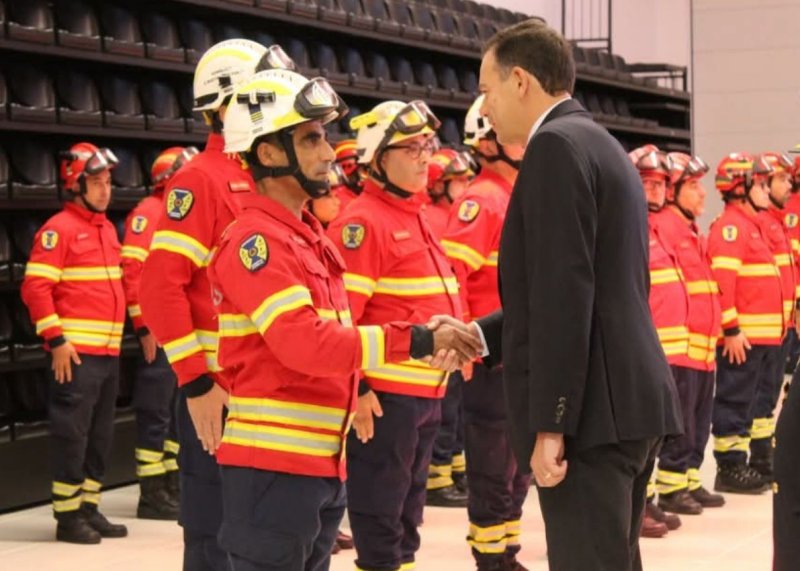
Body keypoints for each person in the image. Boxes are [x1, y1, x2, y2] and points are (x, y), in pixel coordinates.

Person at [432, 20, 682, 570]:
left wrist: (553, 422)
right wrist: (480, 335)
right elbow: (587, 287)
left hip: (592, 414)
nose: (483, 105)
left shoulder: (554, 148)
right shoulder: (600, 143)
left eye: (486, 88)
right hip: (628, 404)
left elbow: (565, 295)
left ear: (519, 80)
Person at [208, 69, 479, 571]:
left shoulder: (307, 237)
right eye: (311, 138)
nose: (330, 152)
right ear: (267, 153)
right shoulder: (258, 242)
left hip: (318, 466)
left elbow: (342, 337)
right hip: (273, 471)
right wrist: (417, 339)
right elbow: (306, 345)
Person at [139, 39, 276, 570]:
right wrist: (195, 382)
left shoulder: (264, 178)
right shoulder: (201, 179)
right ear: (227, 104)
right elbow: (159, 288)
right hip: (218, 395)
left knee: (261, 539)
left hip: (267, 392)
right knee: (214, 541)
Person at [326, 99, 466, 571]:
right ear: (378, 158)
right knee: (380, 512)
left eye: (427, 145)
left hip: (425, 393)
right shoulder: (362, 223)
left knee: (408, 512)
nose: (426, 156)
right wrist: (359, 387)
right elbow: (342, 318)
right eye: (411, 147)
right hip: (386, 396)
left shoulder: (417, 215)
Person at [437, 94, 532, 569]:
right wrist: (467, 348)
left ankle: (508, 548)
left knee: (518, 464)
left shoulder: (517, 196)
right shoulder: (481, 200)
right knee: (495, 464)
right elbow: (453, 279)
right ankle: (491, 556)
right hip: (491, 358)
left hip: (520, 355)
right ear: (489, 143)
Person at [21, 142, 128, 544]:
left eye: (108, 182)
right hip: (76, 356)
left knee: (99, 438)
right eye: (97, 182)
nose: (106, 190)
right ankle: (68, 519)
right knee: (72, 437)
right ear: (75, 184)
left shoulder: (106, 230)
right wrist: (57, 339)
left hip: (108, 354)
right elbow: (36, 288)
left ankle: (89, 508)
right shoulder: (58, 229)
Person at [121, 146, 198, 520]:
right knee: (155, 412)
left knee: (171, 412)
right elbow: (133, 272)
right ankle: (151, 493)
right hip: (158, 332)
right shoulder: (149, 213)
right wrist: (144, 326)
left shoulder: (174, 213)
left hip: (177, 331)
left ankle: (170, 483)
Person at [707, 153, 782, 495]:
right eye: (761, 185)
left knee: (759, 402)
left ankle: (755, 461)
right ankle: (730, 466)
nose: (767, 191)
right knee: (735, 400)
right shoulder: (731, 227)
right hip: (744, 338)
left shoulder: (754, 226)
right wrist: (732, 330)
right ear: (742, 188)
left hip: (766, 339)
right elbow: (723, 283)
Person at [628, 145, 689, 538]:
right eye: (647, 183)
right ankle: (640, 506)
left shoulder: (658, 228)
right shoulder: (629, 225)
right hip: (639, 349)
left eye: (660, 184)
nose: (655, 191)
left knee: (654, 437)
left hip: (664, 347)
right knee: (640, 436)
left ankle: (645, 503)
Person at [658, 152, 725, 508]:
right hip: (679, 346)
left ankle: (690, 479)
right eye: (694, 186)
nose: (702, 193)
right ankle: (670, 488)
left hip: (701, 346)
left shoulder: (689, 229)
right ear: (673, 191)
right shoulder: (664, 227)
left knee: (699, 420)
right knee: (681, 422)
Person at [751, 151, 796, 482]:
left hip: (782, 323)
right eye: (781, 178)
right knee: (753, 398)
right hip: (762, 329)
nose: (787, 182)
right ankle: (754, 457)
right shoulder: (772, 221)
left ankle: (764, 454)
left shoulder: (777, 220)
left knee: (768, 396)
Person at [423, 147, 473, 239]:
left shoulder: (456, 212)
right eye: (461, 180)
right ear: (439, 187)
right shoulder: (433, 219)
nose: (468, 184)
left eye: (468, 179)